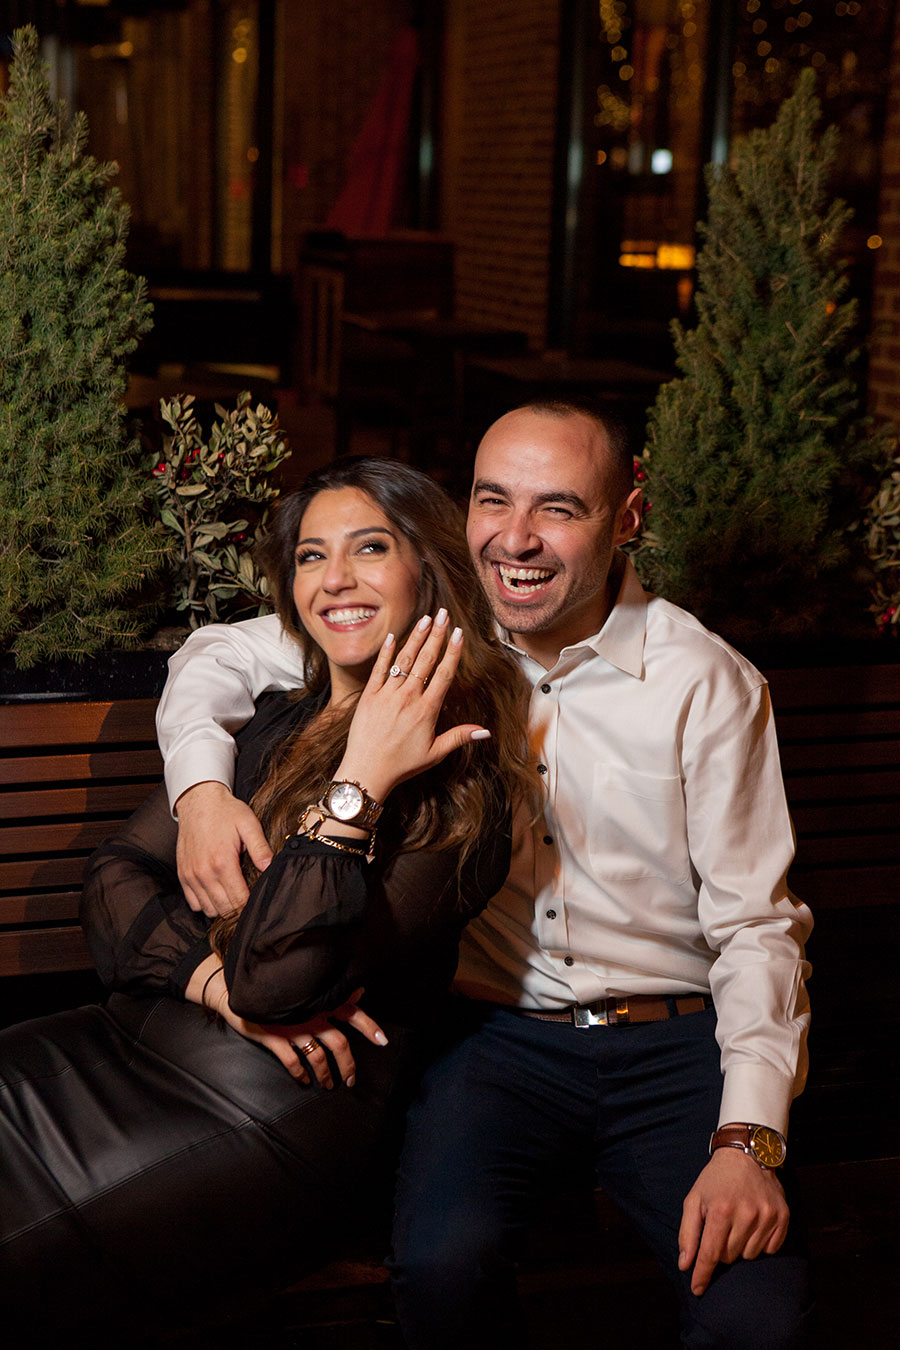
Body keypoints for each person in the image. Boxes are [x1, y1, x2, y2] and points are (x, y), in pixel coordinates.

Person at [154, 403, 814, 1349]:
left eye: (559, 509)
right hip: (493, 1042)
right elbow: (220, 650)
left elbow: (759, 928)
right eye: (492, 500)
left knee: (757, 1323)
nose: (516, 539)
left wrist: (747, 1139)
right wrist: (201, 792)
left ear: (627, 516)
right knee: (438, 1268)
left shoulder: (705, 682)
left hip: (680, 1047)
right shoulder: (433, 634)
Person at [0, 457, 532, 1341]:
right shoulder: (281, 714)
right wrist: (210, 983)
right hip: (112, 1047)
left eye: (370, 549)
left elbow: (277, 985)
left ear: (428, 572)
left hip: (251, 1121)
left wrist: (360, 781)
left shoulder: (463, 787)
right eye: (312, 557)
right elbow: (113, 879)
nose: (336, 580)